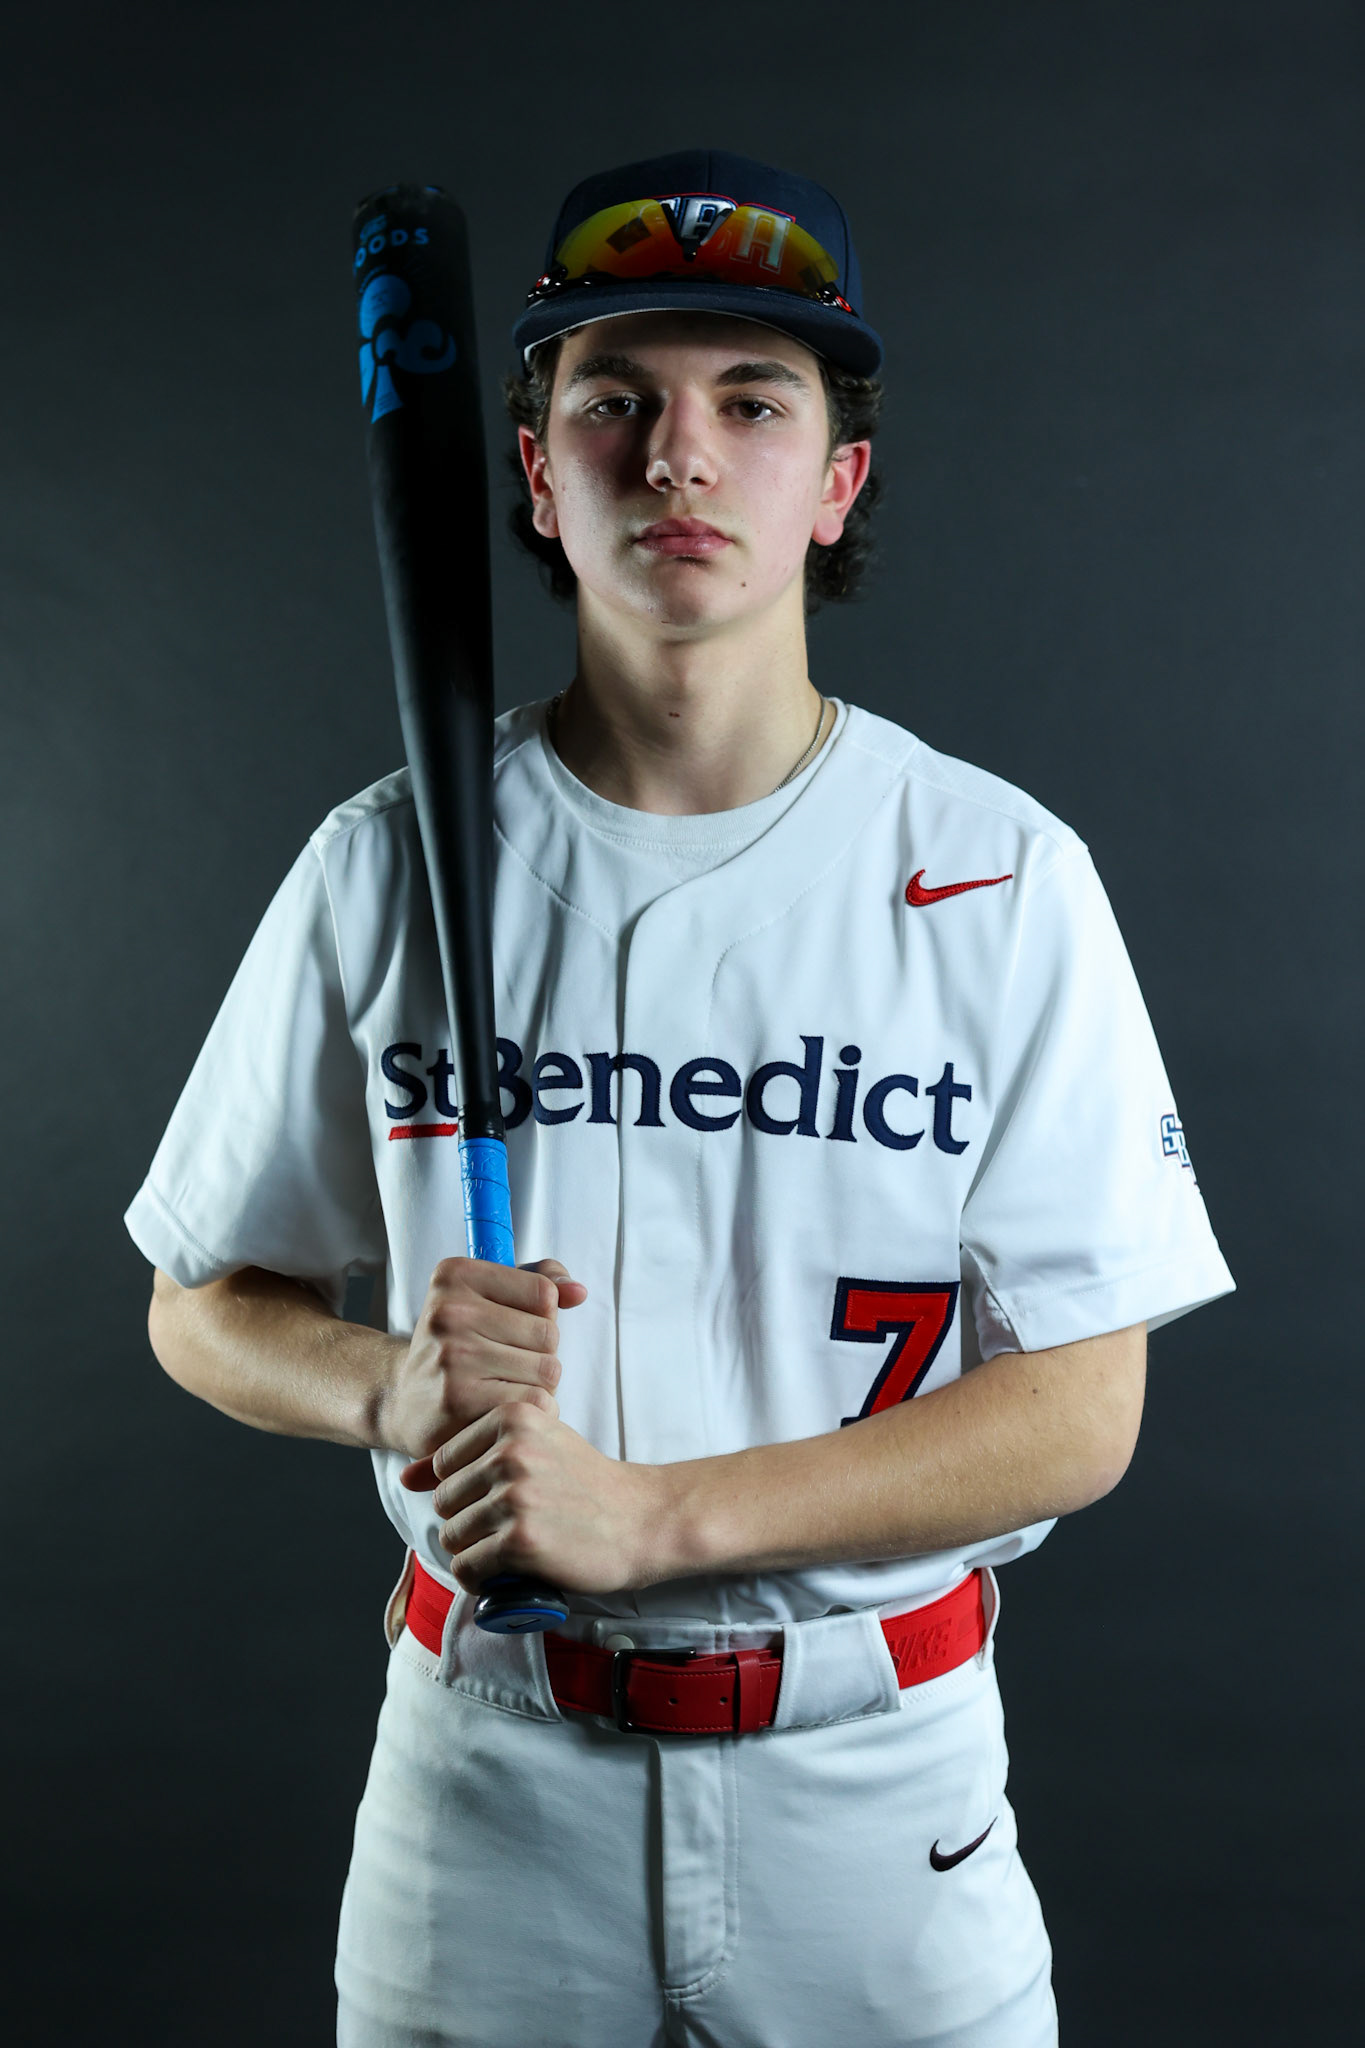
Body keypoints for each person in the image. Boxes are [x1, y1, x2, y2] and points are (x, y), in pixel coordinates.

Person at [126, 149, 1234, 2047]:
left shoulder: (995, 874)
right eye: (615, 402)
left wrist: (654, 1519)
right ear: (540, 475)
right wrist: (382, 1386)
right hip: (485, 1802)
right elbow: (199, 1305)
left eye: (753, 401)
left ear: (838, 481)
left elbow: (1078, 1407)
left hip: (880, 1802)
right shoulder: (386, 864)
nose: (681, 456)